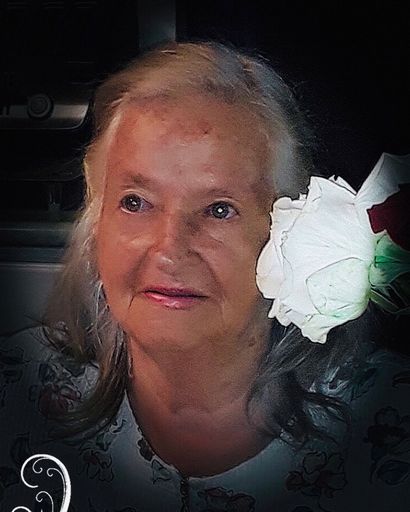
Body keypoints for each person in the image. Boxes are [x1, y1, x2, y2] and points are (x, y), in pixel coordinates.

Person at [1, 41, 409, 512]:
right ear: (97, 227)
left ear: (290, 233)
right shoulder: (14, 391)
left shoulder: (390, 424)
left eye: (219, 210)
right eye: (135, 202)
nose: (169, 249)